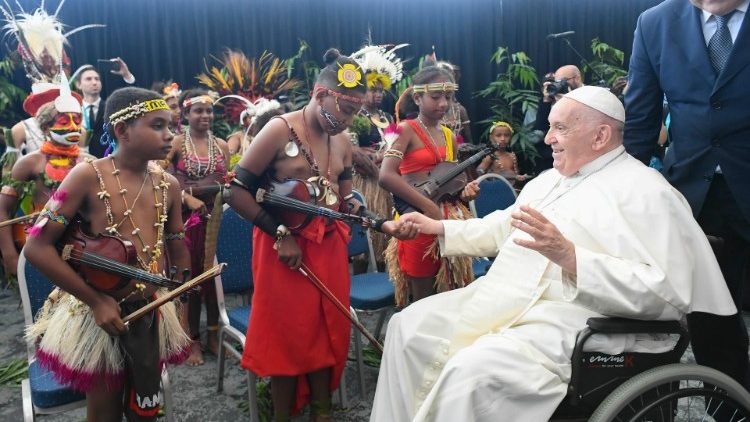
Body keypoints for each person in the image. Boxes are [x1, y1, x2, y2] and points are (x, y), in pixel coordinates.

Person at [370, 86, 736, 421]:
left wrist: (572, 258)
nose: (548, 139)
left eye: (559, 128)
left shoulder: (648, 192)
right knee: (408, 328)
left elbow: (667, 292)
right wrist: (440, 228)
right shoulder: (550, 179)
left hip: (580, 318)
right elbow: (505, 227)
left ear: (601, 135)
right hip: (509, 296)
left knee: (472, 375)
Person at [225, 48, 411, 421]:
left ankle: (322, 411)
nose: (346, 120)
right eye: (343, 109)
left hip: (328, 250)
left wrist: (381, 223)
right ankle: (282, 414)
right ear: (319, 93)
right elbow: (237, 191)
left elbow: (345, 204)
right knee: (288, 336)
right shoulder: (279, 129)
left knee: (329, 329)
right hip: (283, 251)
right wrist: (280, 233)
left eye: (355, 112)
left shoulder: (342, 142)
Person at [24, 87, 191, 421]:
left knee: (146, 403)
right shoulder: (87, 176)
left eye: (171, 126)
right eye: (157, 125)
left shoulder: (169, 184)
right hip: (96, 313)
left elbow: (176, 243)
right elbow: (37, 247)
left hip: (150, 309)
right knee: (104, 412)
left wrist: (181, 294)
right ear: (122, 130)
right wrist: (96, 301)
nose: (170, 134)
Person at [624, 0, 750, 387]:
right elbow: (641, 117)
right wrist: (621, 189)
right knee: (711, 314)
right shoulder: (655, 23)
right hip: (695, 195)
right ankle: (729, 405)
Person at [382, 66, 479, 306]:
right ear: (417, 98)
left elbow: (452, 182)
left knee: (452, 292)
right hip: (416, 220)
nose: (444, 103)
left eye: (448, 97)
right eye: (435, 97)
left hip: (448, 220)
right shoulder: (404, 130)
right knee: (421, 296)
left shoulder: (448, 135)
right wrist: (428, 207)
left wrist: (466, 192)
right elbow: (386, 176)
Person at [165, 89, 229, 366]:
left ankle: (214, 334)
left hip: (214, 218)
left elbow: (226, 180)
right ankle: (190, 339)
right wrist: (185, 196)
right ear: (186, 113)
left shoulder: (222, 145)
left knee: (213, 278)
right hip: (183, 220)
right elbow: (158, 176)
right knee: (188, 278)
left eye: (209, 111)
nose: (205, 116)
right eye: (198, 111)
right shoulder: (176, 142)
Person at [0, 84, 86, 279]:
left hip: (84, 248)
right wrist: (10, 255)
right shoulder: (29, 163)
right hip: (40, 245)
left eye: (78, 120)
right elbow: (2, 209)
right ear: (46, 127)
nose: (73, 127)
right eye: (64, 122)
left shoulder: (90, 162)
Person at [349, 42, 407, 268]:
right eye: (372, 90)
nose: (377, 95)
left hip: (385, 181)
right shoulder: (355, 115)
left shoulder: (385, 115)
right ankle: (365, 268)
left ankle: (386, 270)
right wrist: (368, 156)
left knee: (386, 233)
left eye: (380, 90)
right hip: (365, 183)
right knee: (367, 232)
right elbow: (350, 148)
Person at [72, 61, 137, 158]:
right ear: (78, 84)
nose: (94, 82)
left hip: (108, 162)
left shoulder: (112, 108)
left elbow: (134, 100)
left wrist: (127, 75)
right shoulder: (73, 111)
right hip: (80, 162)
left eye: (97, 79)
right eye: (88, 79)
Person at [533, 65, 585, 175]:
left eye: (563, 81)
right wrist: (546, 100)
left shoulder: (590, 95)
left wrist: (569, 102)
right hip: (556, 155)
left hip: (582, 153)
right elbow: (540, 128)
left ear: (577, 78)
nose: (559, 85)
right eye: (556, 82)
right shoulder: (553, 99)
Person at [476, 121, 527, 186]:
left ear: (510, 137)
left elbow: (515, 173)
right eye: (498, 135)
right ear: (491, 138)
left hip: (512, 189)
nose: (502, 139)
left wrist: (519, 177)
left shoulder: (512, 156)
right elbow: (479, 172)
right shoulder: (491, 157)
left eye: (506, 135)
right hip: (496, 189)